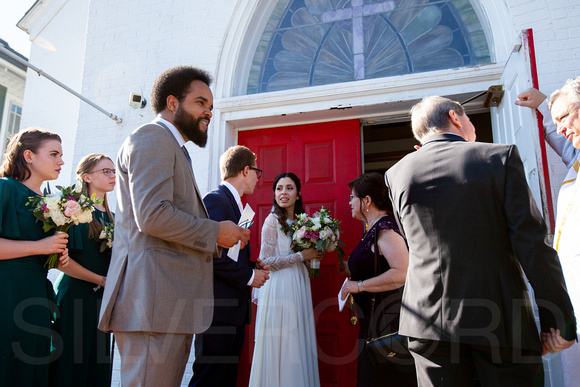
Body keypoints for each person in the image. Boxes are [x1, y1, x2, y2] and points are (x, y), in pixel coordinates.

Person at [384, 96, 576, 387]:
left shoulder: (396, 173)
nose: (473, 126)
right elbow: (532, 245)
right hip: (499, 320)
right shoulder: (498, 158)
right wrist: (558, 320)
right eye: (470, 118)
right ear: (455, 117)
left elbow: (414, 242)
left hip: (427, 322)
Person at [98, 65, 251, 386]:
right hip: (152, 303)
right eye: (200, 103)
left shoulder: (174, 149)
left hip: (167, 305)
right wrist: (215, 232)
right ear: (172, 103)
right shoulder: (152, 138)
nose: (208, 112)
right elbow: (152, 215)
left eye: (210, 106)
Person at [516, 81, 580, 387]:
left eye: (565, 116)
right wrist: (545, 106)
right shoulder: (577, 164)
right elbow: (567, 147)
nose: (562, 128)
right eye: (557, 123)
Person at [190, 145, 270, 387]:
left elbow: (228, 253)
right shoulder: (215, 200)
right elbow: (209, 255)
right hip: (216, 311)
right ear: (246, 170)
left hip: (232, 311)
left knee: (225, 380)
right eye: (258, 171)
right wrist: (249, 276)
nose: (258, 177)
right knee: (209, 379)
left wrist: (250, 263)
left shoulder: (237, 205)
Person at [0, 128, 69, 386]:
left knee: (34, 369)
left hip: (37, 295)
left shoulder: (53, 203)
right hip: (7, 293)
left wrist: (57, 255)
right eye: (53, 154)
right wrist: (40, 247)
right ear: (28, 155)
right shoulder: (5, 189)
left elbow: (45, 249)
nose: (61, 161)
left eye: (61, 155)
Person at [339, 172, 416, 387]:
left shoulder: (385, 230)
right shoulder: (371, 229)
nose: (349, 202)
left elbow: (401, 272)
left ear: (367, 201)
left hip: (386, 321)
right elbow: (375, 266)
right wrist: (347, 268)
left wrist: (359, 286)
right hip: (372, 321)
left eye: (352, 197)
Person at [248, 172, 323, 387]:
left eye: (289, 188)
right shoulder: (272, 221)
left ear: (298, 194)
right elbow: (266, 260)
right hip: (279, 286)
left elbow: (304, 258)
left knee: (298, 340)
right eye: (279, 188)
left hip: (299, 282)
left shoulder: (304, 223)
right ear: (274, 193)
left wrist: (314, 255)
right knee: (283, 341)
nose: (284, 192)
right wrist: (302, 256)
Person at [49, 153, 116, 387]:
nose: (112, 176)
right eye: (105, 171)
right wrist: (100, 279)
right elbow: (60, 261)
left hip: (101, 301)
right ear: (86, 177)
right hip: (75, 296)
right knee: (71, 366)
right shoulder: (72, 212)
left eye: (113, 171)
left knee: (97, 368)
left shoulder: (114, 218)